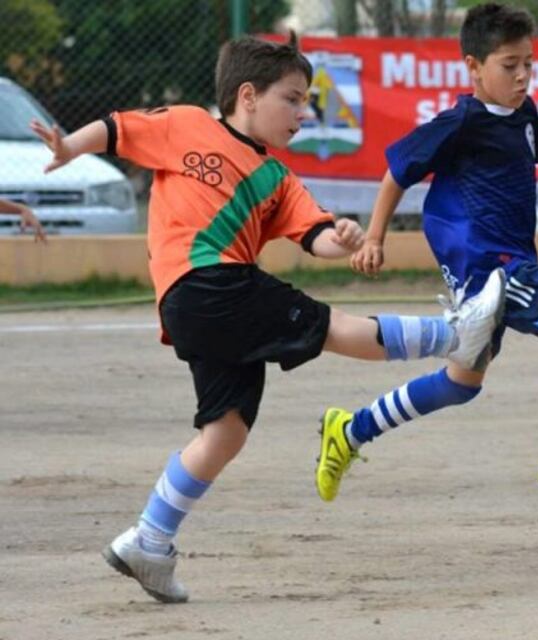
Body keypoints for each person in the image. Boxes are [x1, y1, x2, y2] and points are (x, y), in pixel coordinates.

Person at [31, 33, 505, 604]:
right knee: (326, 326)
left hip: (199, 307)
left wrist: (344, 237)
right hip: (207, 283)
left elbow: (316, 237)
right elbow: (116, 127)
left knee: (225, 431)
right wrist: (71, 147)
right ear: (248, 96)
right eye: (294, 99)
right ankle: (457, 334)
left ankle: (149, 541)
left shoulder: (278, 178)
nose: (303, 113)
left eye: (306, 102)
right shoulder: (184, 123)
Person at [313, 2, 538, 506]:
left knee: (461, 385)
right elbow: (398, 170)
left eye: (529, 62)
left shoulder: (523, 115)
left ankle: (352, 430)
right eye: (510, 65)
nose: (523, 75)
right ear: (473, 66)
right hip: (492, 267)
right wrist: (375, 237)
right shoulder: (460, 120)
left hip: (503, 266)